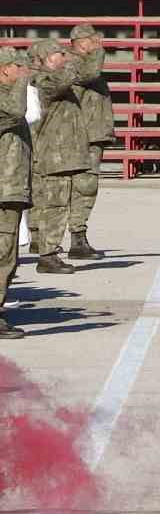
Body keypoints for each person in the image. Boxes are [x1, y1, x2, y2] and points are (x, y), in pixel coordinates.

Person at [27, 38, 104, 275]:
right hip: (52, 155)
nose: (64, 56)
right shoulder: (42, 81)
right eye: (58, 54)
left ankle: (49, 253)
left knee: (60, 205)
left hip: (65, 155)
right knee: (54, 206)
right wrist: (73, 60)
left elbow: (83, 75)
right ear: (45, 59)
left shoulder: (56, 79)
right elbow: (63, 80)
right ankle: (47, 256)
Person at [66, 24, 112, 258]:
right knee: (83, 187)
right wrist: (98, 51)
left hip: (91, 134)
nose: (98, 43)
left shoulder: (85, 62)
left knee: (85, 187)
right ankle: (75, 238)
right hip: (80, 135)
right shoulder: (72, 62)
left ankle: (77, 237)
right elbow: (89, 75)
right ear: (81, 41)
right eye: (93, 39)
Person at [1, 47, 34, 338]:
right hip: (2, 189)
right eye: (18, 67)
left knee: (8, 255)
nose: (24, 72)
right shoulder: (6, 100)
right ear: (4, 70)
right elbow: (15, 112)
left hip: (10, 189)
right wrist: (24, 83)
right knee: (3, 255)